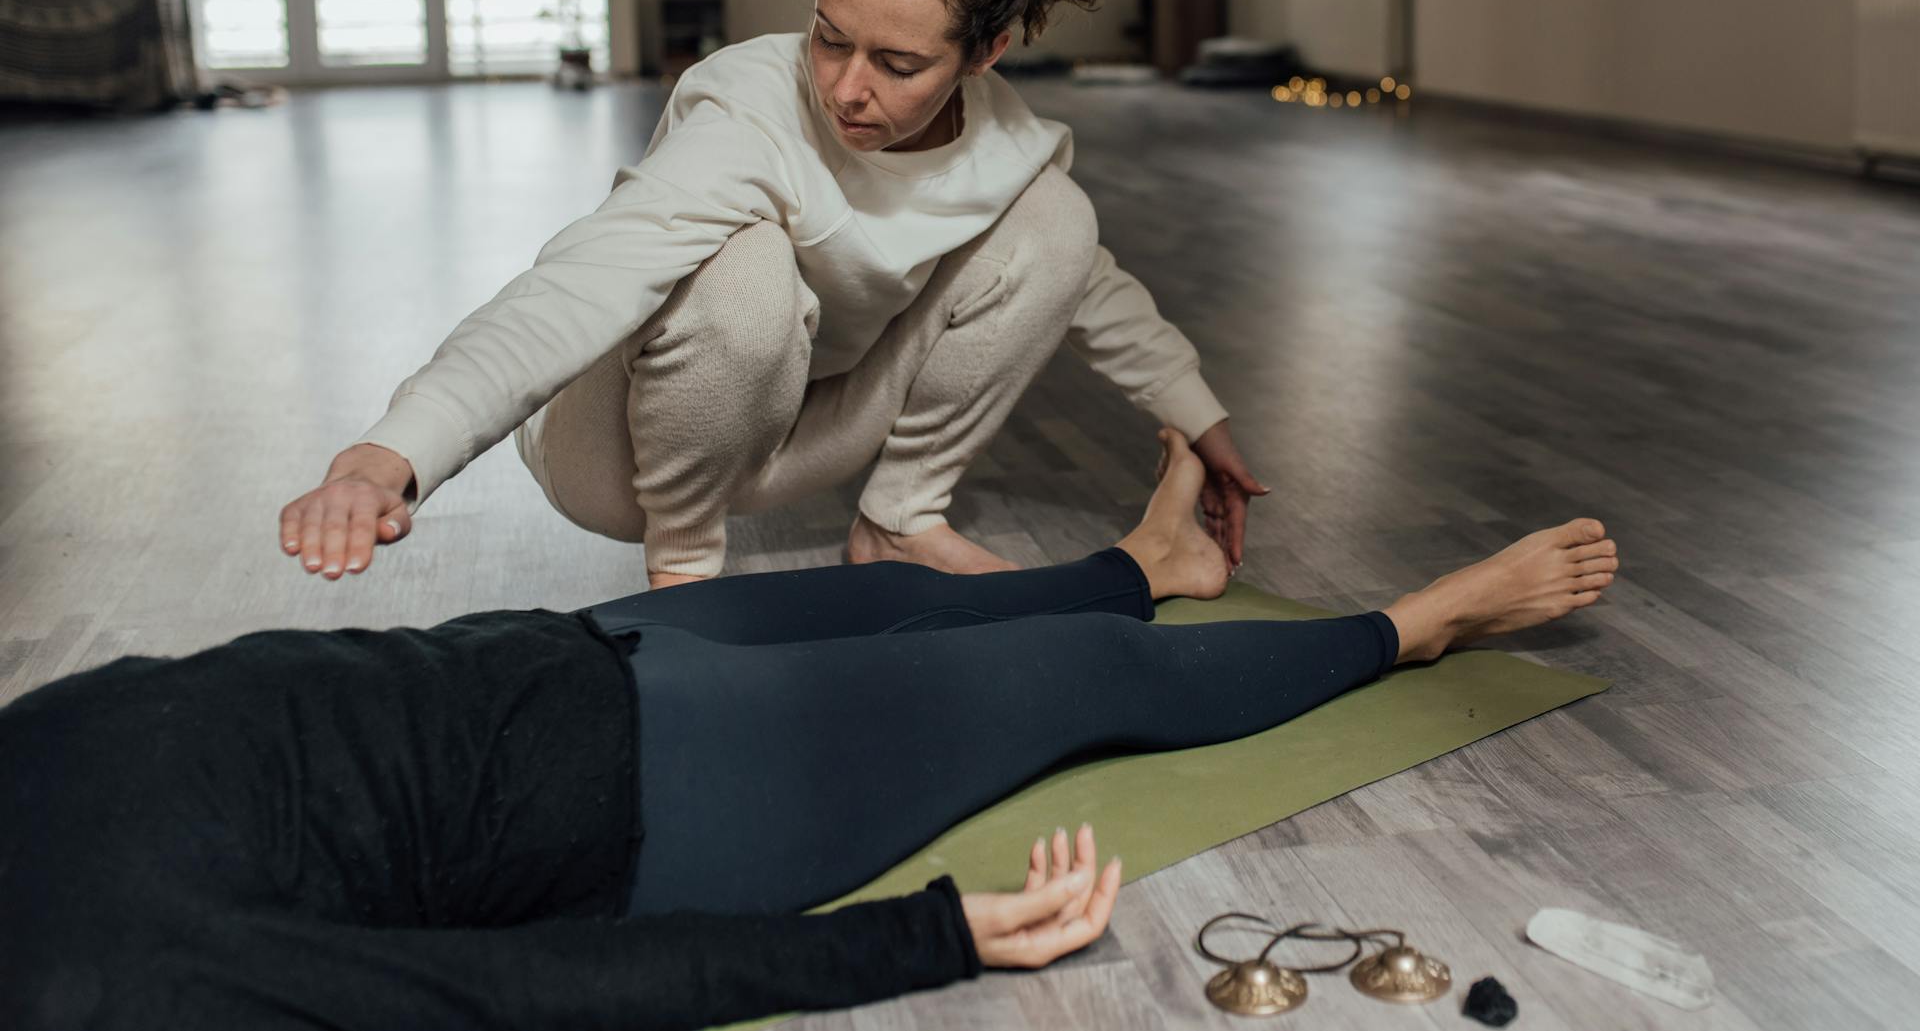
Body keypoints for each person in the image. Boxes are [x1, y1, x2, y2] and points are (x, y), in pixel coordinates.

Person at [2, 433, 1619, 1030]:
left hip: (550, 659)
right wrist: (917, 943)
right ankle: (1427, 622)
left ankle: (1155, 565)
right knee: (1070, 686)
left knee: (892, 603)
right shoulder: (103, 979)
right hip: (671, 805)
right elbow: (511, 991)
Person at [277, 0, 1270, 592]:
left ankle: (896, 523)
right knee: (745, 266)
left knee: (1058, 216)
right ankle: (685, 570)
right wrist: (389, 455)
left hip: (785, 424)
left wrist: (1197, 410)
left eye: (898, 63)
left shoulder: (1006, 142)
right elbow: (574, 287)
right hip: (613, 452)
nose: (845, 87)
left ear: (988, 52)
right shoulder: (747, 111)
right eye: (829, 37)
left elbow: (1082, 282)